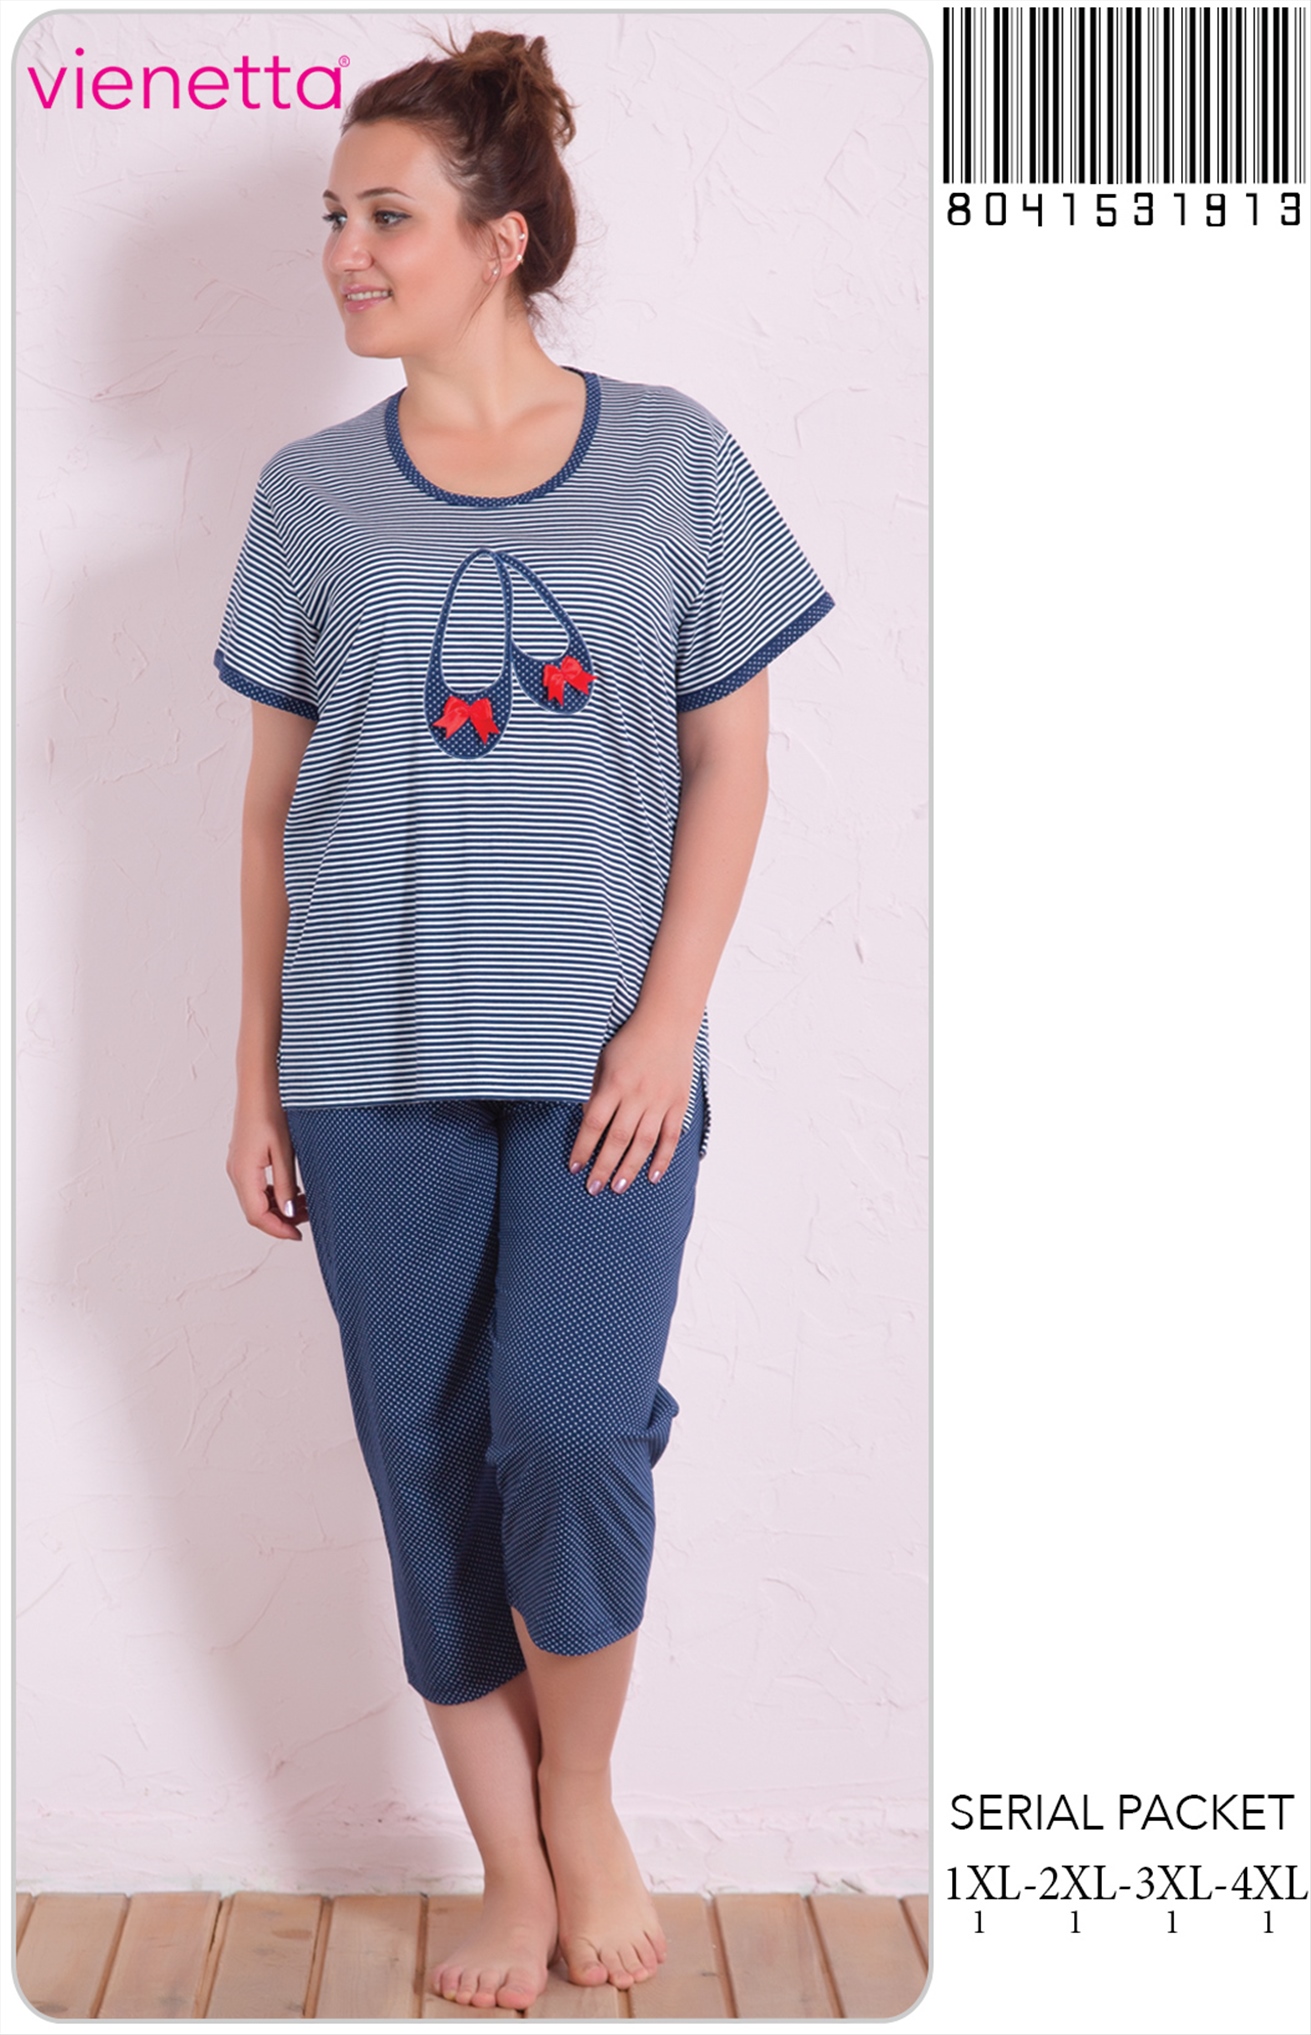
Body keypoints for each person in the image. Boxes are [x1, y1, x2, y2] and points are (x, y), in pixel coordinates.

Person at [217, 27, 833, 2014]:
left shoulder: (672, 458)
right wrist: (255, 1080)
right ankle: (507, 1864)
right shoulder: (310, 498)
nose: (345, 251)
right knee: (423, 1461)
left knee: (566, 1429)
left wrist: (667, 1022)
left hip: (603, 1066)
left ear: (500, 239)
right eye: (334, 216)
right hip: (365, 1063)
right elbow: (270, 811)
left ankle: (582, 1796)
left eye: (385, 216)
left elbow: (731, 760)